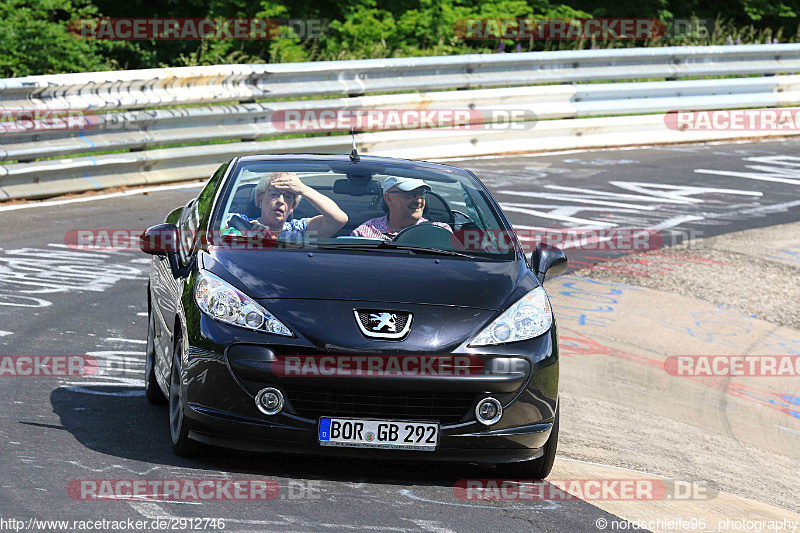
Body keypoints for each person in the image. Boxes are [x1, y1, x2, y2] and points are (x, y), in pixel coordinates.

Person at [224, 172, 347, 239]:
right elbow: (213, 235)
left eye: (288, 196)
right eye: (274, 194)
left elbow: (338, 220)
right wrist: (243, 236)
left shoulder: (298, 230)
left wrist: (303, 190)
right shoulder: (237, 221)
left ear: (292, 206)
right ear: (260, 199)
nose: (281, 201)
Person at [351, 177, 451, 240]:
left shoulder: (440, 232)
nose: (418, 200)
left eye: (421, 194)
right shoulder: (364, 234)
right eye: (410, 194)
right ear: (388, 198)